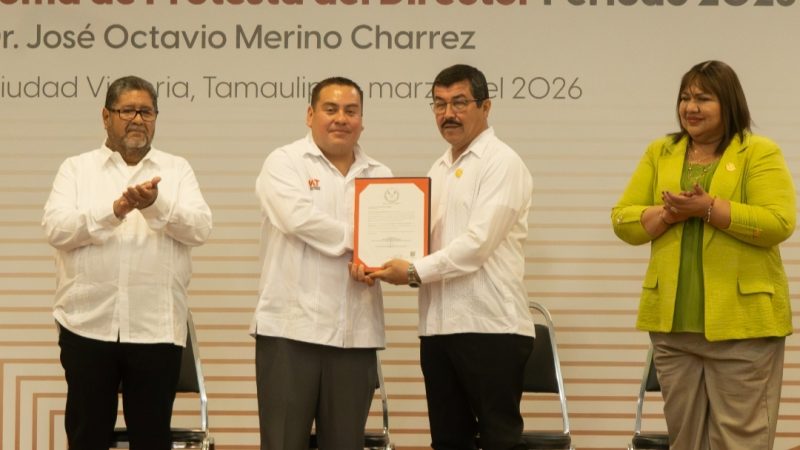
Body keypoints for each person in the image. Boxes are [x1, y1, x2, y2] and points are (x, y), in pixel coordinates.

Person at [612, 60, 795, 450]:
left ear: (728, 103)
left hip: (744, 328)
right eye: (685, 97)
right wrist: (667, 214)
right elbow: (623, 220)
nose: (690, 107)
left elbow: (778, 222)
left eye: (703, 98)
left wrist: (709, 208)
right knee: (685, 441)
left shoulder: (758, 152)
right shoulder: (661, 151)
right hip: (674, 329)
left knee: (741, 441)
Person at [353, 64, 535, 450]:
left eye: (459, 103)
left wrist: (413, 270)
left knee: (500, 441)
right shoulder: (438, 169)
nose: (448, 114)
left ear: (485, 106)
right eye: (439, 104)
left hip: (490, 327)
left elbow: (477, 245)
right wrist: (376, 261)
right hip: (437, 328)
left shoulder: (502, 163)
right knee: (448, 441)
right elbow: (420, 244)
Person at [42, 75, 213, 450]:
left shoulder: (177, 169)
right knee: (87, 436)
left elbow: (200, 228)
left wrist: (155, 205)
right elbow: (56, 229)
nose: (138, 119)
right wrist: (115, 210)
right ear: (106, 116)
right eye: (128, 111)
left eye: (146, 112)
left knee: (151, 439)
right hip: (87, 324)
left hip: (156, 327)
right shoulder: (76, 169)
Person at [251, 76, 392, 450]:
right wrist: (363, 241)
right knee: (283, 443)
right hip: (289, 332)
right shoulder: (284, 162)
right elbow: (297, 220)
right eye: (331, 109)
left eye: (351, 111)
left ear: (362, 120)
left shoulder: (381, 175)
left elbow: (391, 244)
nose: (341, 118)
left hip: (356, 335)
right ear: (310, 115)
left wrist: (380, 262)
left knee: (346, 444)